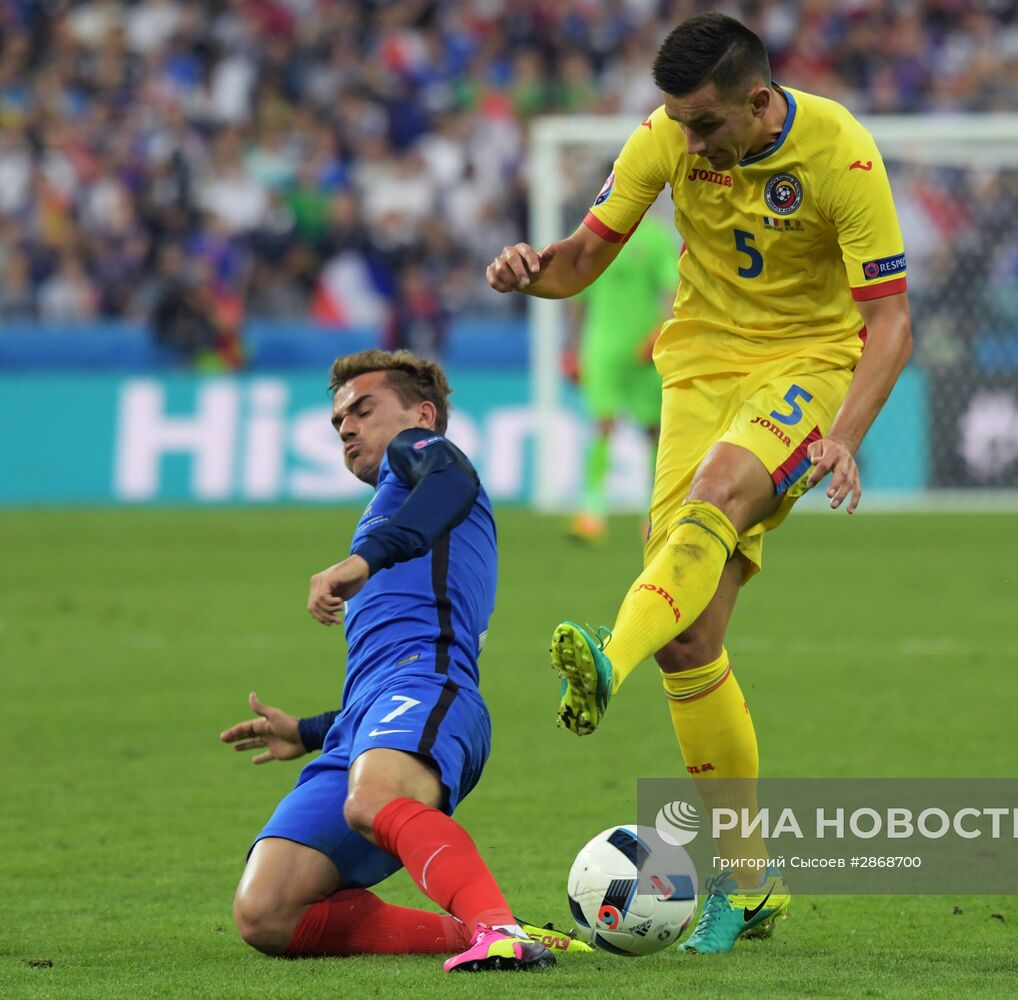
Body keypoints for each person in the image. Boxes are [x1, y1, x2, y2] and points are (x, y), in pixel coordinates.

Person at [485, 13, 913, 954]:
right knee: (693, 642)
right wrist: (531, 272)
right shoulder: (663, 136)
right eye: (675, 121)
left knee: (717, 496)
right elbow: (583, 258)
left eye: (703, 124)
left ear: (759, 102)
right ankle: (752, 887)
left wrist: (844, 436)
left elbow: (888, 322)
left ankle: (606, 656)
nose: (686, 140)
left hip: (808, 366)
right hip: (695, 374)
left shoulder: (839, 151)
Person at [221, 349, 579, 973]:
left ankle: (497, 933)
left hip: (431, 684)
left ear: (422, 413)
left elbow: (452, 481)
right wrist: (308, 731)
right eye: (338, 422)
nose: (347, 428)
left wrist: (361, 561)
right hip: (364, 718)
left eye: (362, 409)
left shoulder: (427, 458)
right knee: (266, 912)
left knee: (373, 798)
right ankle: (479, 927)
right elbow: (381, 672)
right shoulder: (393, 505)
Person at [566, 208, 679, 543]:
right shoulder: (591, 233)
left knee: (655, 430)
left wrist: (662, 330)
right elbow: (577, 293)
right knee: (603, 424)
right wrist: (571, 348)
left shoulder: (655, 236)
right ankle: (592, 511)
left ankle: (654, 512)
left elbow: (672, 288)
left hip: (645, 348)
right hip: (601, 347)